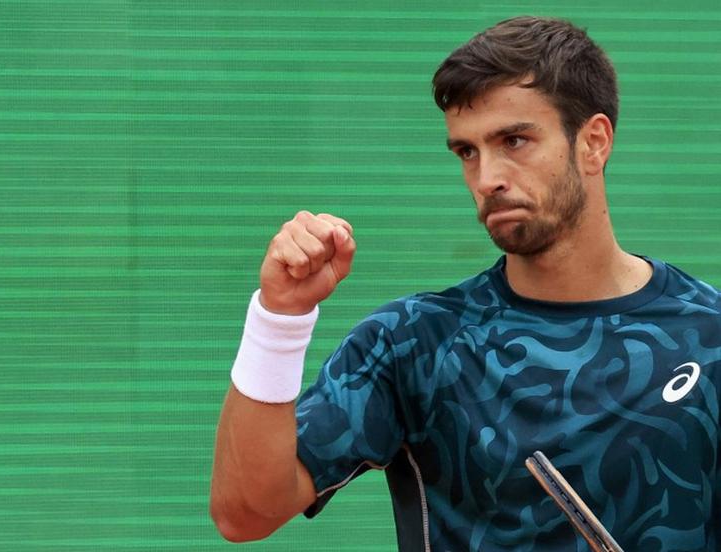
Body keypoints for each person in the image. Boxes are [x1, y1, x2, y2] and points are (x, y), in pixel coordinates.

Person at [210, 16, 720, 551]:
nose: (486, 178)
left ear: (593, 143)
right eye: (467, 151)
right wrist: (279, 318)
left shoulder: (711, 338)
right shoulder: (410, 342)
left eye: (515, 140)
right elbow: (245, 513)